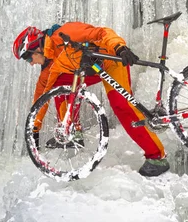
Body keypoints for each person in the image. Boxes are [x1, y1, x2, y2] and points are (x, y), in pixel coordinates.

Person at [13, 22, 170, 177]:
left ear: (36, 47)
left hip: (112, 60)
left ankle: (157, 157)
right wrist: (34, 129)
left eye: (28, 58)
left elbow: (102, 32)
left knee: (121, 106)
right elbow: (42, 95)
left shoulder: (67, 32)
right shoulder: (51, 64)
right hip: (92, 69)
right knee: (57, 85)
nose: (31, 63)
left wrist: (119, 47)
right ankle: (72, 132)